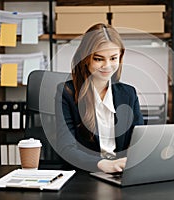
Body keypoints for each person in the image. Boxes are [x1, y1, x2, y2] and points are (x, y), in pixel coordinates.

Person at [55, 23, 144, 173]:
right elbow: (66, 148)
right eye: (98, 59)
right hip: (84, 176)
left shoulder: (129, 94)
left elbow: (140, 142)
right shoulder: (67, 93)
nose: (107, 65)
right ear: (86, 59)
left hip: (121, 174)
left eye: (113, 58)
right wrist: (102, 164)